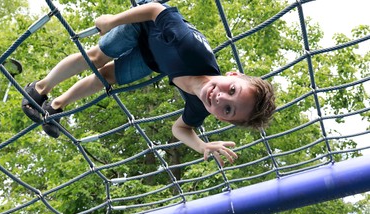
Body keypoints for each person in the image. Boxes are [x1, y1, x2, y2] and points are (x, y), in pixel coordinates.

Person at [21, 1, 275, 166]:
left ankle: (55, 107)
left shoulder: (199, 108)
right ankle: (39, 88)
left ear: (221, 118)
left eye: (228, 109)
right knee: (98, 57)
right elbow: (156, 10)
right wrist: (113, 21)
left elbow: (181, 129)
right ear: (232, 75)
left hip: (155, 57)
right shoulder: (191, 48)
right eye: (232, 90)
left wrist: (202, 146)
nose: (221, 99)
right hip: (145, 24)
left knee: (108, 78)